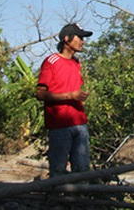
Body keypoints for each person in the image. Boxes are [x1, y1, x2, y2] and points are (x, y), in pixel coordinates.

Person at [36, 22, 93, 177]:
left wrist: (78, 96)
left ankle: (79, 199)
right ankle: (57, 199)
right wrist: (70, 96)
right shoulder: (51, 61)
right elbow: (40, 93)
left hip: (80, 123)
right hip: (60, 125)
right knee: (58, 170)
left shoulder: (76, 63)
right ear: (67, 39)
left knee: (82, 170)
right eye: (79, 37)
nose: (82, 41)